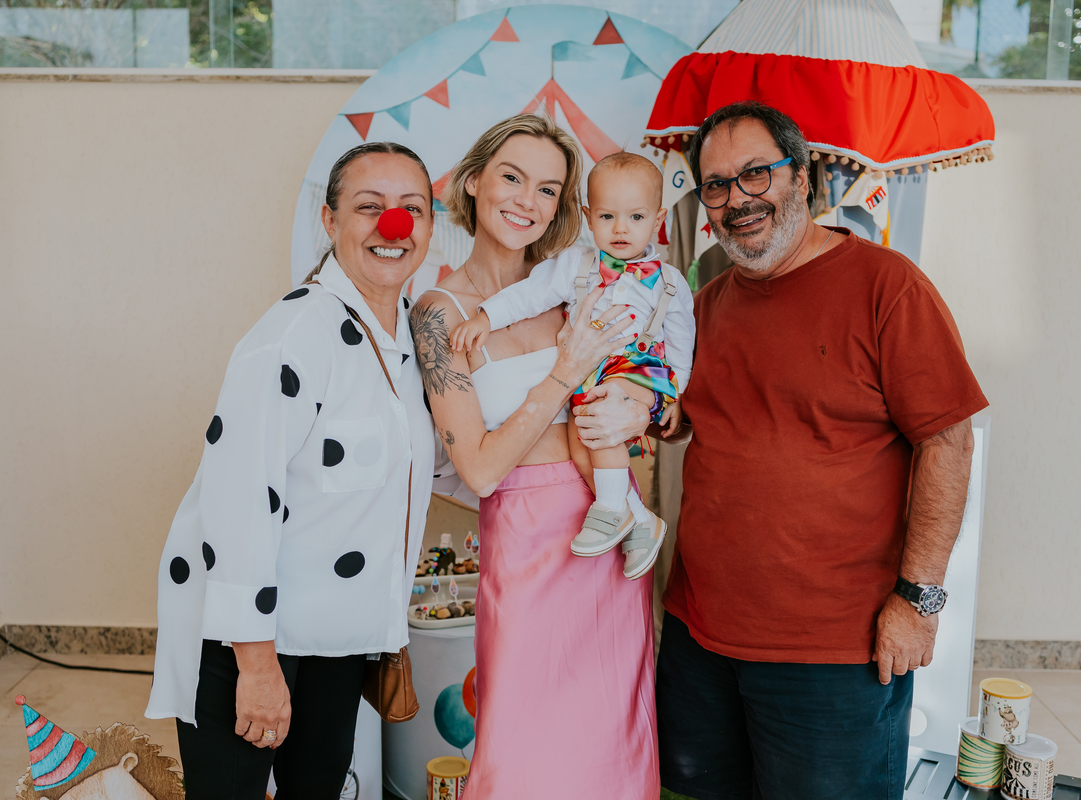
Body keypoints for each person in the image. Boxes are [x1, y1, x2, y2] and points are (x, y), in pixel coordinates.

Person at [655, 101, 989, 799]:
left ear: (802, 177)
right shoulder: (702, 308)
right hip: (700, 640)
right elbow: (680, 422)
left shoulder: (887, 288)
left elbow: (948, 442)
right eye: (715, 185)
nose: (736, 199)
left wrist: (919, 601)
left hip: (835, 655)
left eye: (756, 174)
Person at [145, 142, 438, 800]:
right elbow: (241, 495)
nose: (393, 226)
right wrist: (256, 663)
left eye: (411, 209)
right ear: (330, 222)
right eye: (369, 207)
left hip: (334, 634)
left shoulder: (405, 344)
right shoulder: (293, 334)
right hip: (248, 637)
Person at [411, 114, 658, 800]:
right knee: (522, 749)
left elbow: (639, 385)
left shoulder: (578, 289)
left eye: (547, 189)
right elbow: (481, 469)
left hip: (608, 527)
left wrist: (640, 407)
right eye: (512, 177)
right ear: (473, 181)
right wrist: (562, 374)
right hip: (525, 540)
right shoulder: (439, 311)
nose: (526, 199)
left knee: (612, 737)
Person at [450, 151, 695, 579]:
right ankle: (636, 517)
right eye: (607, 216)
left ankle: (610, 508)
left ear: (657, 219)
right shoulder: (575, 266)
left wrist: (677, 395)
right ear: (587, 215)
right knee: (580, 444)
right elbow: (529, 296)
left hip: (639, 370)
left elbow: (681, 345)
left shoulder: (670, 282)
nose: (621, 229)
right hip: (590, 372)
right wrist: (486, 317)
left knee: (602, 417)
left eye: (636, 217)